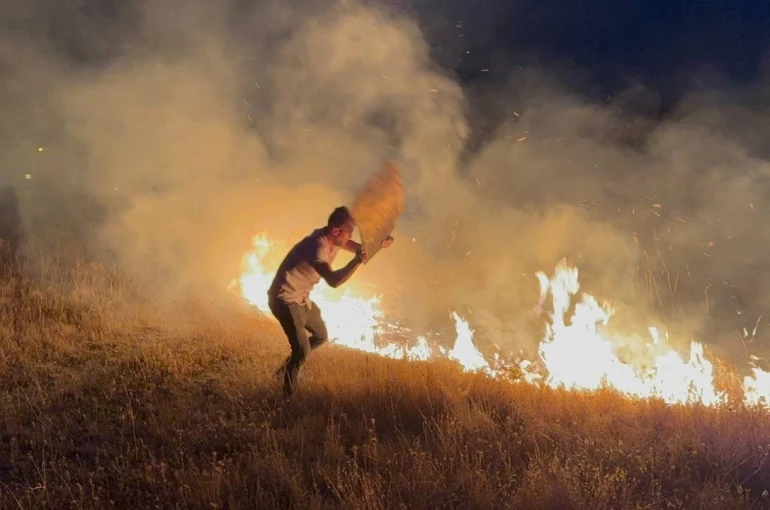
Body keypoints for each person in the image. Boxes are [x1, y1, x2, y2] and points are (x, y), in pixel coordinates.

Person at [267, 206, 394, 396]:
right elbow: (334, 281)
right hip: (285, 299)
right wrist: (356, 261)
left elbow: (357, 247)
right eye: (349, 232)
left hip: (301, 298)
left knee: (320, 336)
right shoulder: (316, 246)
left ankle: (285, 371)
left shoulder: (334, 239)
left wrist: (378, 245)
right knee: (301, 350)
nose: (350, 237)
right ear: (336, 231)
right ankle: (287, 396)